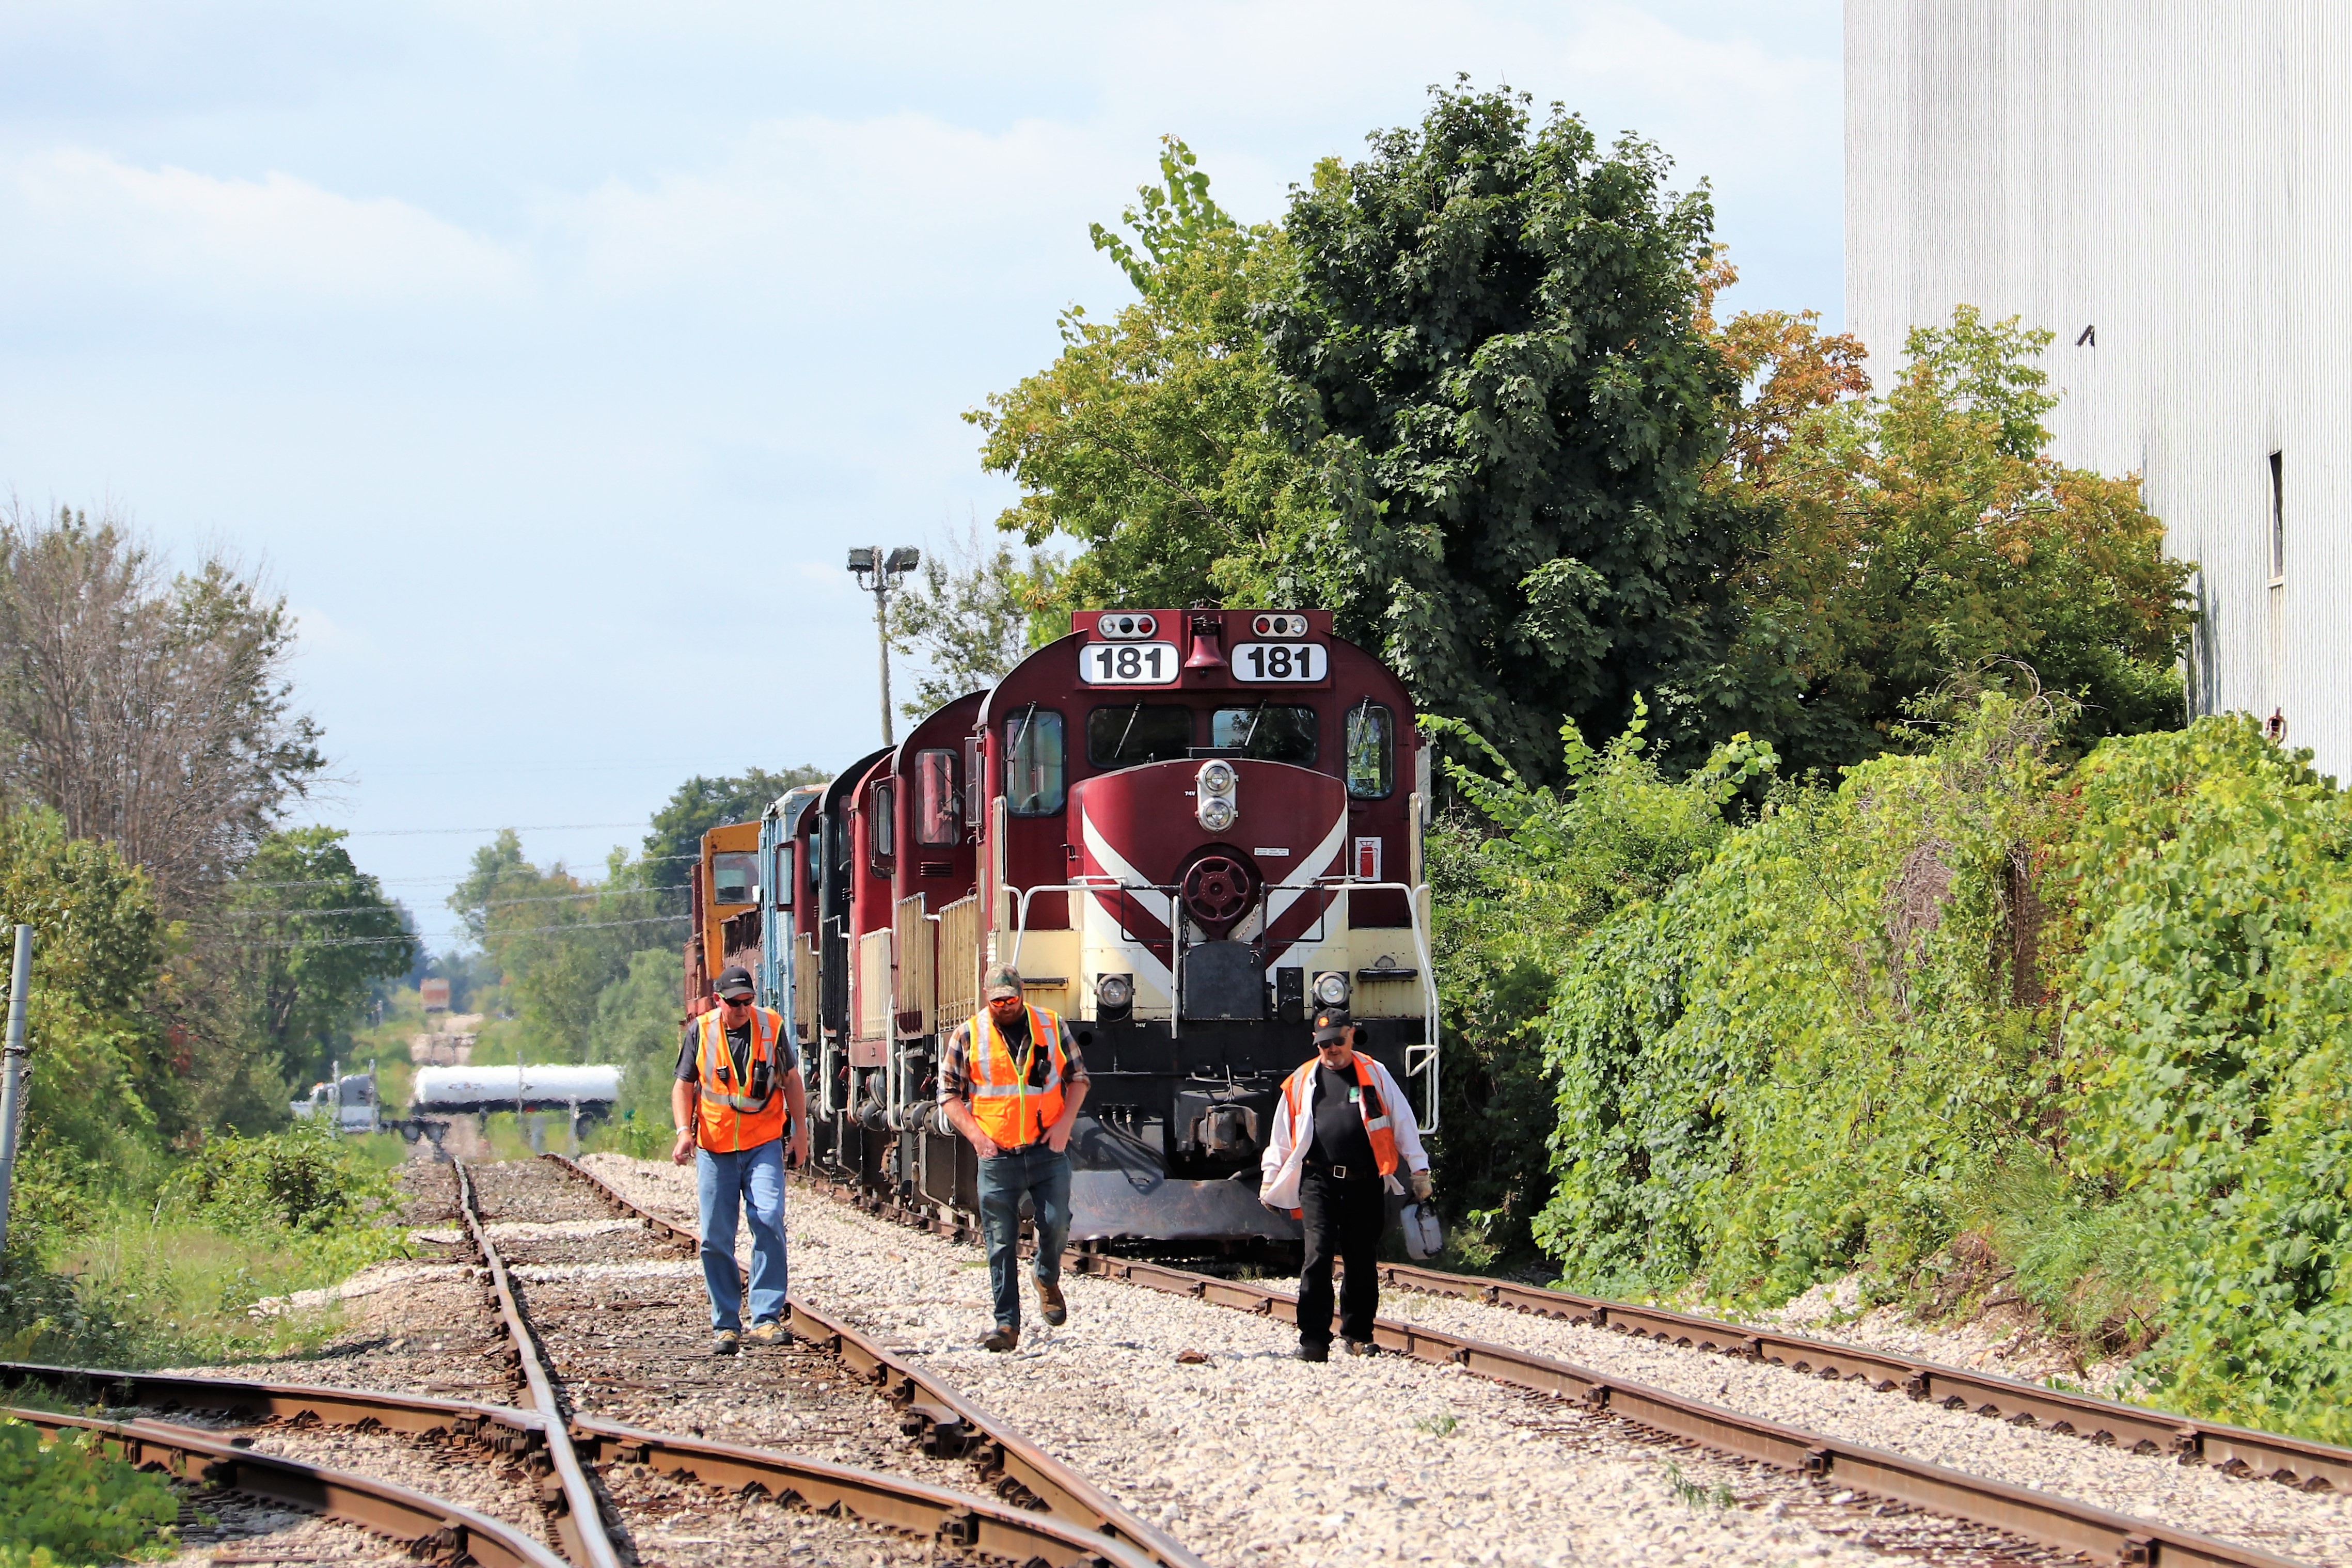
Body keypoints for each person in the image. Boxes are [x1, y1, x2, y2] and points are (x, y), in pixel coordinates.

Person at [1258, 1006, 1432, 1361]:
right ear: (1315, 1042)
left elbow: (1402, 1121)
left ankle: (1358, 1334)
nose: (1332, 1049)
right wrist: (1270, 1178)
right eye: (1324, 1044)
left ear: (1351, 1035)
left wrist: (1419, 1170)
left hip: (1364, 1180)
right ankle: (1313, 1340)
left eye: (1337, 1041)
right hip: (1317, 1180)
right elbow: (1281, 1135)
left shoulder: (1375, 1074)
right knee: (1317, 1255)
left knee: (1361, 1258)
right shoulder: (1301, 1080)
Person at [940, 963, 1090, 1352]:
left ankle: (1046, 1276)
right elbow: (948, 1094)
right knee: (1000, 1242)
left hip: (1046, 1150)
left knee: (1056, 1224)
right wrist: (977, 1138)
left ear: (1022, 994)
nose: (1004, 1006)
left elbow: (1078, 1079)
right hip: (997, 1155)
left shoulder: (1051, 1025)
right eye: (997, 1001)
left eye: (1010, 999)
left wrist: (1064, 1127)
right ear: (986, 998)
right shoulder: (968, 1034)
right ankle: (1006, 1324)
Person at [672, 963, 810, 1357]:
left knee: (768, 1217)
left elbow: (791, 1079)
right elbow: (683, 1085)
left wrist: (800, 1130)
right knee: (716, 1237)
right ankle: (726, 1324)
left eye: (748, 1000)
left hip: (763, 1141)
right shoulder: (701, 1030)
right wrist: (684, 1132)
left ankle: (765, 1317)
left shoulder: (771, 1026)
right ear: (719, 1000)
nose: (742, 1008)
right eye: (735, 1002)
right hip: (715, 1147)